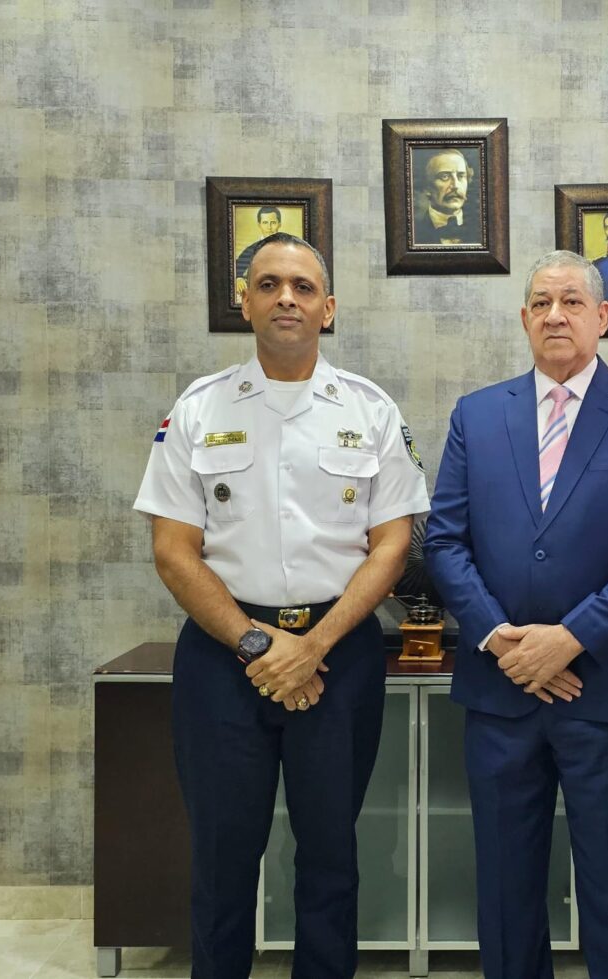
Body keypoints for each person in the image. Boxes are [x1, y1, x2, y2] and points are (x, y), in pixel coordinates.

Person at [134, 232, 429, 979]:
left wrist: (313, 646)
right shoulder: (198, 408)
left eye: (302, 286)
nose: (286, 298)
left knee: (330, 851)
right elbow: (174, 551)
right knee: (223, 853)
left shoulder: (370, 409)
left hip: (339, 656)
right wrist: (256, 645)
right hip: (223, 657)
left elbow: (393, 546)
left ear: (329, 308)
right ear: (245, 303)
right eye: (268, 284)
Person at [424, 250, 608, 979]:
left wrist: (571, 637)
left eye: (572, 301)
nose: (555, 315)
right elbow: (444, 541)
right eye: (541, 302)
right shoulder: (477, 415)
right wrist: (501, 640)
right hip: (501, 691)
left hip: (607, 695)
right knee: (505, 889)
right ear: (523, 318)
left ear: (603, 317)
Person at [412, 147, 482, 246]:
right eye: (444, 176)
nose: (456, 186)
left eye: (461, 176)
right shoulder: (414, 232)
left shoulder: (481, 228)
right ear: (427, 186)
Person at [234, 206, 283, 301]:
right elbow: (235, 267)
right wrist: (238, 278)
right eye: (265, 223)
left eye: (273, 222)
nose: (269, 227)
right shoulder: (251, 249)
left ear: (279, 224)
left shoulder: (291, 250)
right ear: (259, 225)